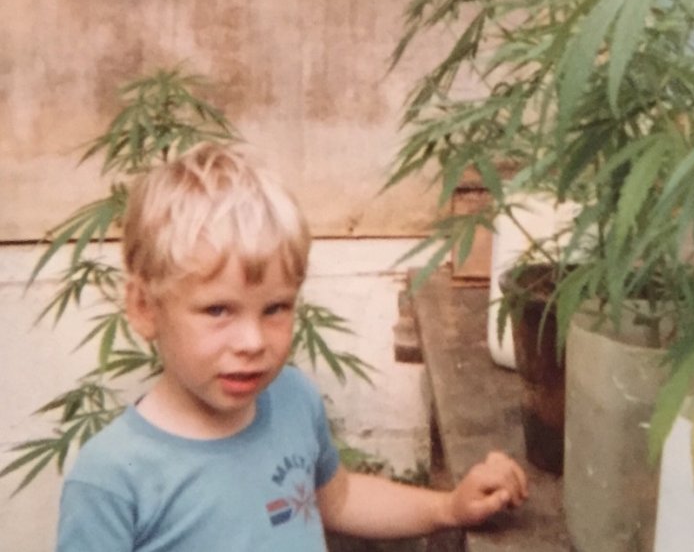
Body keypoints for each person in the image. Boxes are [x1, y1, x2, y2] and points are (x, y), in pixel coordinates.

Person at [55, 142, 528, 551]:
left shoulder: (292, 399)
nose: (253, 342)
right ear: (144, 308)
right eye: (218, 311)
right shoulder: (112, 478)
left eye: (276, 308)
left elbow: (337, 498)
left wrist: (448, 506)